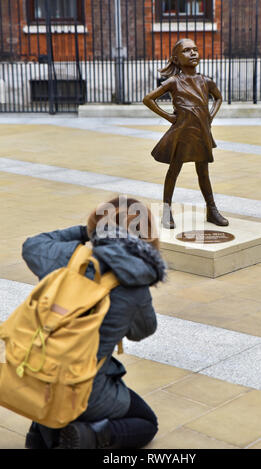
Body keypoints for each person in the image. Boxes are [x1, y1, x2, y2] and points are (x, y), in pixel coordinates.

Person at [22, 196, 166, 449]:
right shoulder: (135, 281)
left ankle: (43, 431)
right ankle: (87, 434)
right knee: (146, 421)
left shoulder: (68, 256)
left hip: (36, 371)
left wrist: (87, 232)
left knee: (55, 377)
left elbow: (32, 245)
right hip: (85, 390)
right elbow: (143, 331)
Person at [143, 38, 228, 229]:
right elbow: (148, 99)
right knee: (174, 170)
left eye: (195, 50)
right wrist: (169, 118)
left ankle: (212, 210)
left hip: (201, 132)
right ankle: (167, 211)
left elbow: (219, 98)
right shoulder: (174, 81)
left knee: (203, 172)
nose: (193, 53)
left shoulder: (205, 81)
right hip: (182, 133)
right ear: (175, 58)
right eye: (187, 50)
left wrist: (210, 117)